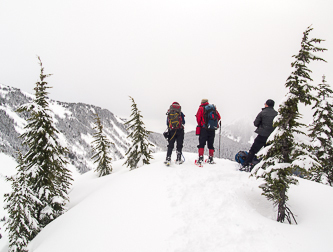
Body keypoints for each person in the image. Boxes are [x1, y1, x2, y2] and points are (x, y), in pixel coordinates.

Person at [242, 99, 278, 169]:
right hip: (271, 136)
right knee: (269, 152)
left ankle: (247, 165)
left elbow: (255, 123)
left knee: (253, 150)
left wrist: (261, 126)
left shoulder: (262, 113)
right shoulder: (276, 114)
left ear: (266, 105)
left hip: (262, 135)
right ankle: (268, 168)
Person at [196, 99, 221, 164]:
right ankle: (211, 158)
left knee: (201, 144)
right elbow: (219, 117)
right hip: (212, 129)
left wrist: (200, 124)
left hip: (204, 128)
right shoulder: (213, 108)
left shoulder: (201, 108)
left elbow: (198, 118)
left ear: (202, 102)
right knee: (211, 144)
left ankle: (201, 158)